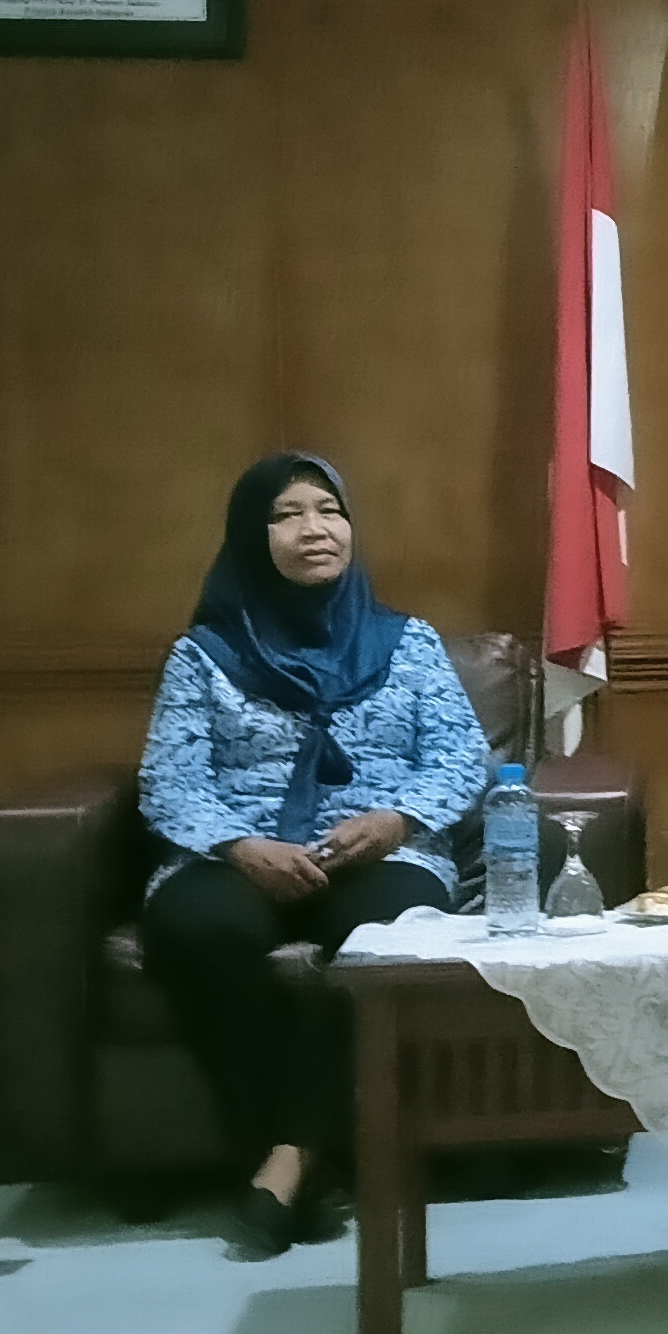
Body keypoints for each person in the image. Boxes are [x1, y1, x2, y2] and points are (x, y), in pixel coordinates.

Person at [137, 454, 489, 1258]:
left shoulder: (407, 643)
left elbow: (458, 756)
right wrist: (240, 844)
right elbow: (170, 779)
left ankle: (285, 1163)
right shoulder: (204, 654)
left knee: (384, 943)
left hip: (378, 850)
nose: (314, 530)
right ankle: (301, 1157)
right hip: (238, 850)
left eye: (329, 510)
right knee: (194, 929)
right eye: (287, 514)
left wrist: (397, 819)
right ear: (250, 537)